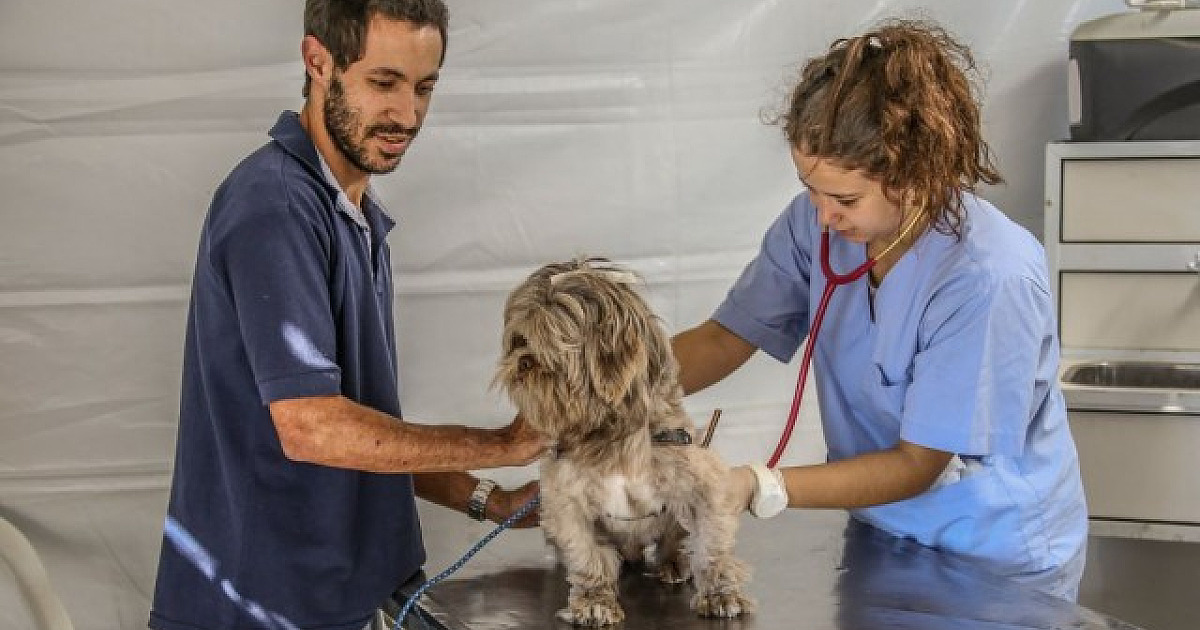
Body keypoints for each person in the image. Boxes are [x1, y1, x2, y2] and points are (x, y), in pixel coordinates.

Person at [148, 2, 545, 629]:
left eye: (424, 87)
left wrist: (487, 499)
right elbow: (313, 427)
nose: (408, 115)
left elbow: (363, 429)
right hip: (259, 610)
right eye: (383, 83)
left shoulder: (349, 214)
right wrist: (506, 443)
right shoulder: (275, 207)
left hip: (341, 600)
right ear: (318, 62)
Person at [672, 19, 1088, 600]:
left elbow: (919, 463)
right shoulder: (813, 225)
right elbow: (725, 338)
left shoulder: (989, 276)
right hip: (882, 529)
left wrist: (757, 484)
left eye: (844, 198)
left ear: (918, 174)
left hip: (991, 554)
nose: (821, 217)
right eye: (809, 187)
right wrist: (604, 392)